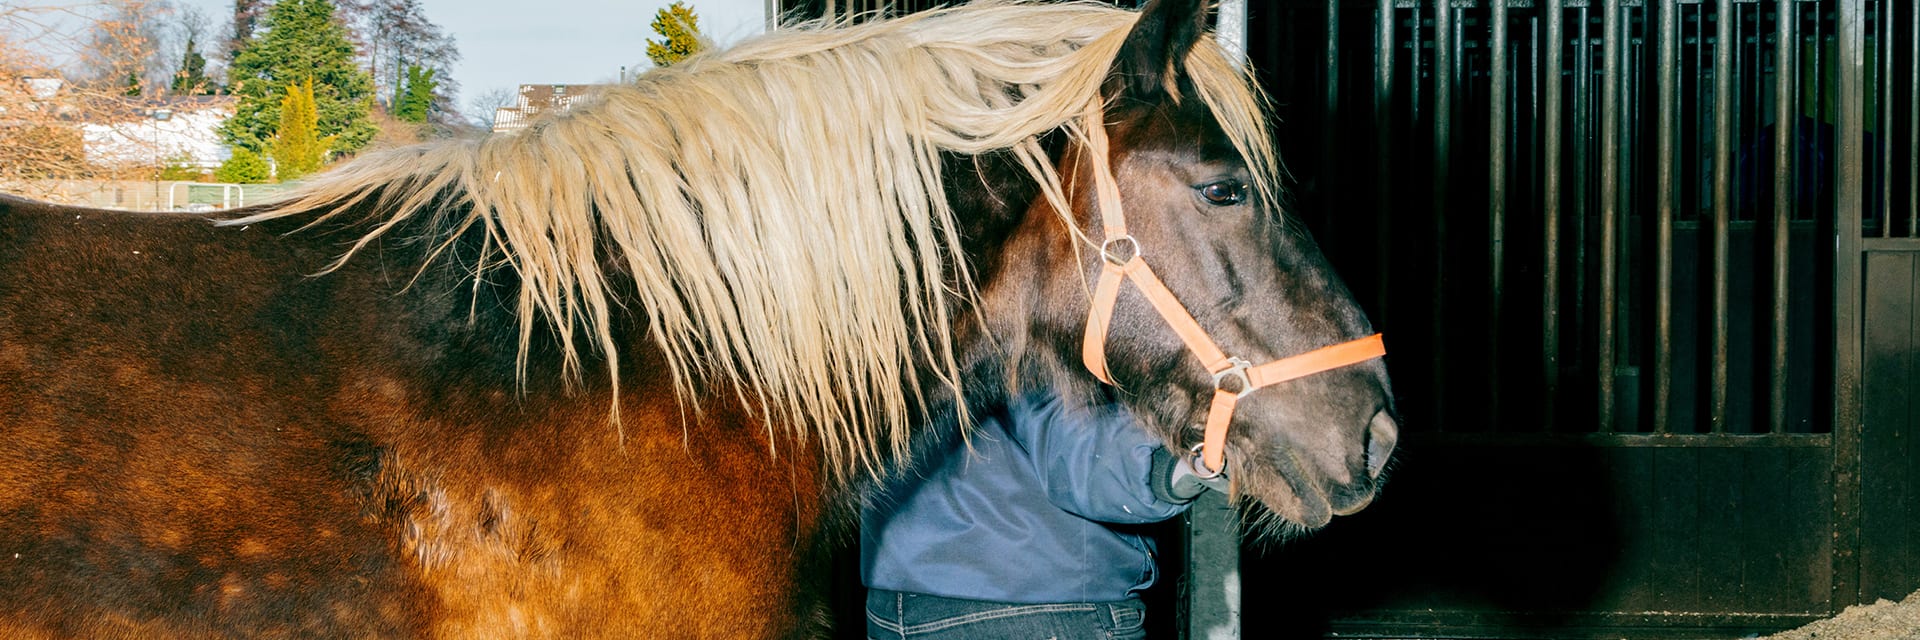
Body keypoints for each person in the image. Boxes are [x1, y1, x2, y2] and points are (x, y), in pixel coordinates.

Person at [861, 390, 1227, 640]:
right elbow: (1074, 437)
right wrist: (1197, 458)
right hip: (1039, 604)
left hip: (896, 605)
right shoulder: (1027, 291)